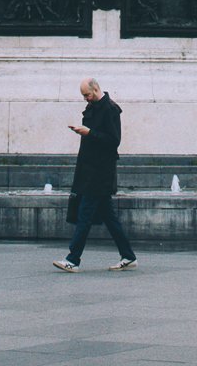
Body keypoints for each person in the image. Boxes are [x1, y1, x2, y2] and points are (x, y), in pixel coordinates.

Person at [54, 78, 136, 273]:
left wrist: (89, 132)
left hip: (99, 173)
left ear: (96, 89)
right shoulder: (96, 107)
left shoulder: (110, 109)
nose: (85, 99)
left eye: (87, 95)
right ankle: (128, 256)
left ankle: (73, 259)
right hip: (92, 171)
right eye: (84, 96)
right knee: (109, 217)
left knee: (85, 216)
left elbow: (114, 140)